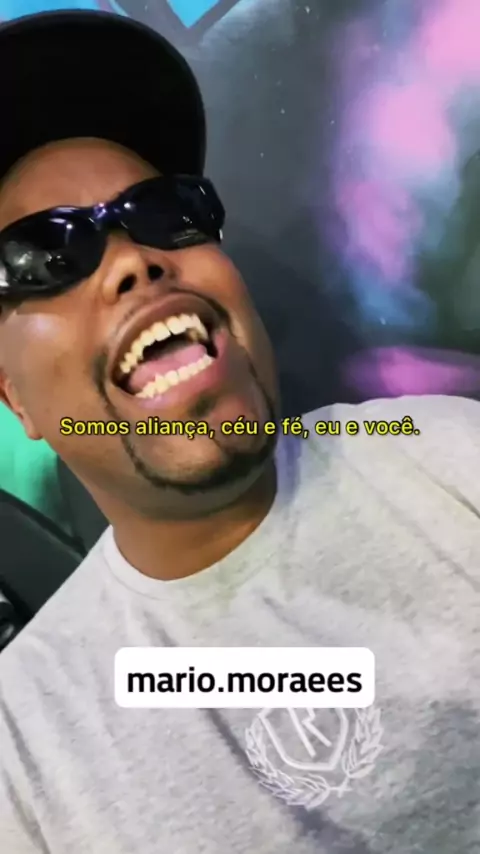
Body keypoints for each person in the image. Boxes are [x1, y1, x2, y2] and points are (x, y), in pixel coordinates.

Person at [0, 10, 479, 854]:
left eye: (164, 210)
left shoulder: (448, 458)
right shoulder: (22, 753)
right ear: (16, 402)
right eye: (44, 255)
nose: (133, 259)